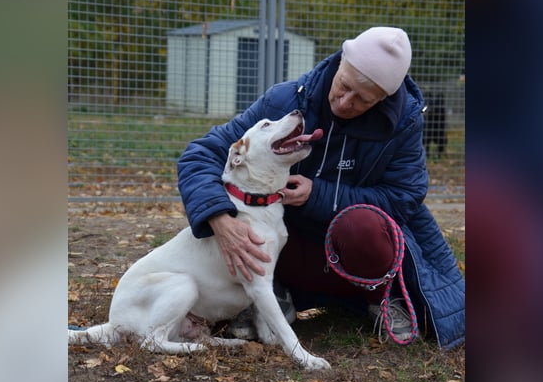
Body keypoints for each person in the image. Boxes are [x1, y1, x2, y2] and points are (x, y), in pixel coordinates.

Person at [177, 27, 465, 350]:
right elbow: (202, 154)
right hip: (294, 244)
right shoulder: (287, 100)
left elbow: (404, 198)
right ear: (341, 61)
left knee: (361, 226)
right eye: (344, 86)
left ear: (383, 99)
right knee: (261, 224)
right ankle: (275, 292)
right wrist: (218, 218)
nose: (345, 101)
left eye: (362, 100)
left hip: (355, 250)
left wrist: (318, 195)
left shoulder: (402, 125)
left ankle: (380, 298)